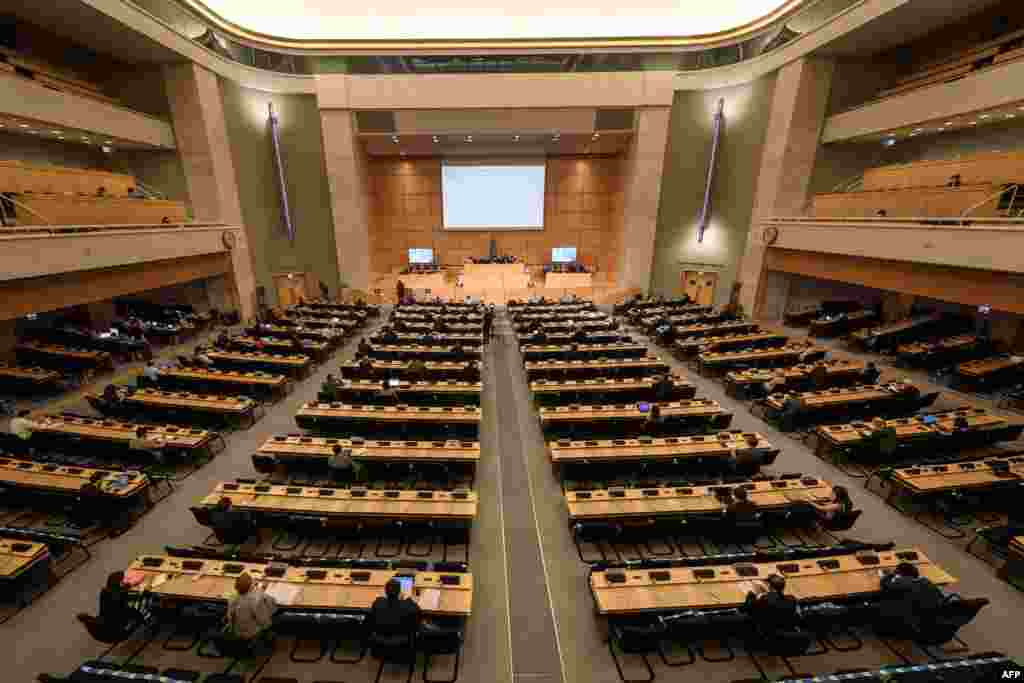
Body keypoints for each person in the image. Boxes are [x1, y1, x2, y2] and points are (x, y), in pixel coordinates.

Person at [875, 562, 948, 635]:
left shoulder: (900, 583)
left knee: (881, 603)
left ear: (900, 574)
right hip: (936, 621)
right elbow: (941, 597)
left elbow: (883, 582)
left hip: (916, 624)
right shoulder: (926, 581)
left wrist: (892, 574)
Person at [225, 572, 278, 645]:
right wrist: (262, 593)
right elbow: (269, 615)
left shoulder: (232, 597)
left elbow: (248, 597)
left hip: (236, 629)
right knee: (275, 617)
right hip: (251, 632)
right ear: (251, 587)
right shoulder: (255, 600)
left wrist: (259, 590)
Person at [367, 578, 421, 648]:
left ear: (385, 592)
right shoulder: (409, 606)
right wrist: (407, 599)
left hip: (380, 648)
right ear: (399, 592)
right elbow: (418, 612)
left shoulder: (378, 604)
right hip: (403, 647)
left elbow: (380, 600)